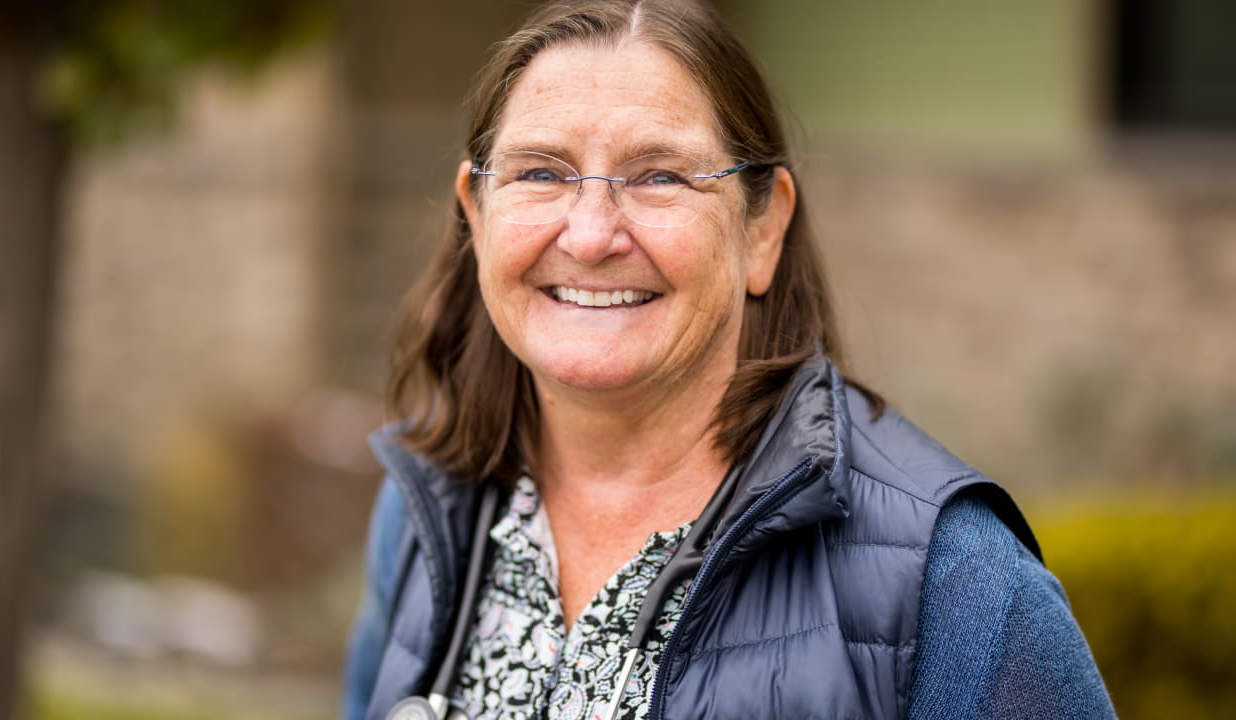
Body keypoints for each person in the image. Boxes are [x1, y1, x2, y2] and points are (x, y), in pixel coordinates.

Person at [344, 1, 1115, 718]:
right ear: (475, 214)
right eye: (541, 172)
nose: (588, 235)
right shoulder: (429, 509)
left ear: (762, 230)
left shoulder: (953, 584)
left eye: (659, 177)